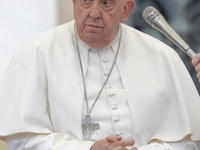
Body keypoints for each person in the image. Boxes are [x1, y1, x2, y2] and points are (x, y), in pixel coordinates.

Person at [0, 0, 200, 149]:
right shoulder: (37, 52)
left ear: (126, 10)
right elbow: (22, 141)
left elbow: (186, 142)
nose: (93, 12)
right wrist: (88, 149)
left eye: (106, 3)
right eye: (86, 1)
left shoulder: (161, 56)